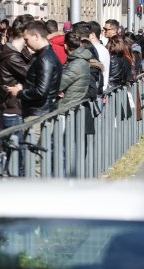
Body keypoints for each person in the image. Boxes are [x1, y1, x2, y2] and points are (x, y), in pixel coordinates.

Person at [6, 21, 62, 175]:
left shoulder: (45, 58)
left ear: (36, 36)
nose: (25, 43)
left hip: (38, 113)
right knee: (36, 157)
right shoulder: (45, 55)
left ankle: (36, 194)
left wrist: (20, 92)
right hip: (41, 111)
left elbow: (41, 91)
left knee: (34, 158)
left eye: (26, 39)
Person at [58, 33, 94, 111]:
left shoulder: (76, 64)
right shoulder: (80, 60)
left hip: (68, 107)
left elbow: (58, 85)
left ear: (65, 46)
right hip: (73, 104)